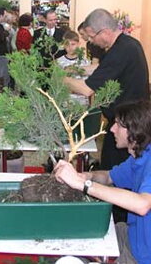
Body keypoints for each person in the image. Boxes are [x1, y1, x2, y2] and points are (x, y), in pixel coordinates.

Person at [55, 100, 151, 264]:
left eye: (119, 125)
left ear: (135, 130)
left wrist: (83, 185)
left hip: (142, 256)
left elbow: (142, 205)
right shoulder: (139, 156)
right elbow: (108, 177)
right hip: (131, 235)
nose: (112, 129)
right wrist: (86, 176)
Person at [64, 8, 150, 171]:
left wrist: (59, 78)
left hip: (129, 126)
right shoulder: (128, 44)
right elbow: (101, 69)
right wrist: (73, 70)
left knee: (114, 170)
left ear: (104, 32)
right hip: (128, 120)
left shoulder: (121, 50)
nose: (91, 41)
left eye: (91, 36)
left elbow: (86, 89)